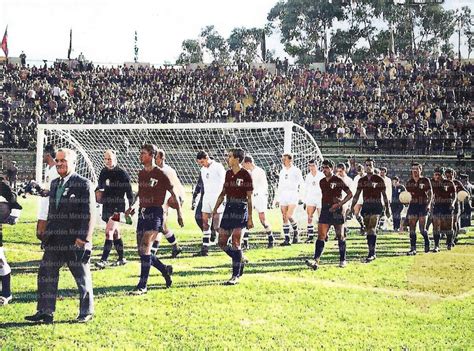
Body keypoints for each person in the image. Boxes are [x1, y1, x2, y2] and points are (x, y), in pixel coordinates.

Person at [25, 148, 95, 323]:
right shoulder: (55, 183)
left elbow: (88, 214)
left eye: (64, 161)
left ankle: (86, 312)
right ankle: (45, 311)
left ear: (73, 163)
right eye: (58, 160)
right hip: (55, 239)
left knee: (81, 276)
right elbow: (52, 211)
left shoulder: (83, 184)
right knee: (46, 273)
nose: (60, 164)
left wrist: (82, 239)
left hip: (74, 240)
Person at [126, 144, 183, 295]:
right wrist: (133, 206)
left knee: (145, 246)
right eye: (140, 153)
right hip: (142, 213)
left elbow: (174, 193)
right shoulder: (141, 174)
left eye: (143, 153)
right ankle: (165, 270)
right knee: (142, 251)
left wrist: (179, 213)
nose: (140, 156)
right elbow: (140, 192)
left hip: (156, 212)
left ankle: (142, 285)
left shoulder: (162, 174)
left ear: (151, 155)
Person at [213, 149, 253, 285]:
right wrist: (215, 209)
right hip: (229, 209)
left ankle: (235, 275)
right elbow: (223, 192)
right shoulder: (228, 173)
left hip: (240, 209)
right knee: (222, 242)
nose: (227, 158)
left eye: (229, 156)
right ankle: (240, 258)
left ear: (237, 159)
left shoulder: (246, 174)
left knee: (236, 243)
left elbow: (249, 198)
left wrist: (250, 218)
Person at [305, 160, 352, 270]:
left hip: (336, 211)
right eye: (323, 167)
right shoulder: (321, 182)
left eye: (326, 167)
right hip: (325, 210)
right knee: (321, 235)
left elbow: (350, 194)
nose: (324, 169)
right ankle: (316, 260)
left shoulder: (338, 180)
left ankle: (342, 260)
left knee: (340, 235)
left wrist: (339, 204)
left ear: (332, 168)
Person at [94, 150, 133, 269]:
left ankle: (103, 260)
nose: (107, 161)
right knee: (115, 233)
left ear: (115, 159)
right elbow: (100, 187)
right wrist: (97, 192)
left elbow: (130, 193)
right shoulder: (103, 172)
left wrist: (131, 207)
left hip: (118, 207)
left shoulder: (122, 174)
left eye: (109, 159)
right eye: (105, 159)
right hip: (106, 206)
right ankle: (122, 258)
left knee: (109, 231)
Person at [351, 158, 391, 263]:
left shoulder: (379, 179)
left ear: (373, 166)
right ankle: (371, 250)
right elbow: (357, 194)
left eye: (370, 165)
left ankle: (372, 253)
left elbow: (384, 195)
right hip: (366, 206)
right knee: (368, 229)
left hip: (377, 206)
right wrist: (352, 206)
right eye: (367, 165)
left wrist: (387, 208)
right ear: (364, 167)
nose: (368, 167)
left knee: (372, 228)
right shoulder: (362, 180)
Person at [150, 149, 184, 258]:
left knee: (159, 225)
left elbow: (176, 188)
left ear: (162, 158)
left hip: (168, 200)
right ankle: (175, 246)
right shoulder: (153, 170)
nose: (154, 160)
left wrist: (179, 209)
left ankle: (152, 252)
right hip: (157, 200)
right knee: (161, 226)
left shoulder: (169, 171)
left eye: (156, 158)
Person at [195, 151, 226, 256]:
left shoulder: (218, 167)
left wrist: (223, 197)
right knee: (205, 223)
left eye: (202, 162)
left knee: (217, 226)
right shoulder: (203, 170)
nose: (202, 164)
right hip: (206, 198)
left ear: (207, 157)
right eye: (200, 163)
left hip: (217, 198)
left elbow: (224, 182)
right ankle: (205, 248)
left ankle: (228, 243)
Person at [242, 155, 273, 249]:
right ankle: (246, 243)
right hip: (250, 197)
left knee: (262, 219)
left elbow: (255, 185)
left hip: (259, 197)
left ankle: (270, 238)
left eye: (244, 164)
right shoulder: (246, 172)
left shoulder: (259, 171)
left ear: (248, 163)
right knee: (246, 218)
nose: (243, 166)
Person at [0, 177, 22, 306]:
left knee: (0, 260)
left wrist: (12, 215)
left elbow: (13, 200)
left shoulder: (1, 184)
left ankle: (6, 293)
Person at [275, 153, 304, 245]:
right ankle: (287, 239)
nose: (283, 161)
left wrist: (301, 196)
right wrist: (277, 198)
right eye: (282, 159)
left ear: (290, 160)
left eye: (285, 159)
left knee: (289, 215)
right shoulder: (282, 171)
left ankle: (296, 232)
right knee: (284, 216)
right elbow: (280, 185)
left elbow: (302, 183)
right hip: (284, 194)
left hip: (293, 194)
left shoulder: (296, 170)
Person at [405, 162, 432, 255]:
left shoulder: (425, 180)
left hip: (423, 206)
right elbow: (407, 196)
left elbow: (430, 194)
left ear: (420, 170)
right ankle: (413, 248)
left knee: (422, 229)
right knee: (411, 228)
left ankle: (427, 242)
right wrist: (405, 201)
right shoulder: (409, 182)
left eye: (417, 169)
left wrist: (428, 205)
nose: (415, 171)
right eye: (413, 169)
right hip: (413, 206)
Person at [37, 144, 59, 246]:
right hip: (45, 202)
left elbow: (60, 188)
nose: (42, 156)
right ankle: (49, 248)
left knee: (43, 232)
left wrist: (49, 192)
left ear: (48, 155)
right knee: (39, 233)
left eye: (44, 154)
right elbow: (48, 186)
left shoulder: (57, 169)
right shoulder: (47, 167)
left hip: (53, 204)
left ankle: (52, 251)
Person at [430, 167, 456, 252]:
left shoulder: (449, 183)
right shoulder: (433, 183)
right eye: (435, 174)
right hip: (437, 205)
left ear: (442, 175)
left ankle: (449, 243)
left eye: (438, 175)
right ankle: (436, 246)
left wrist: (452, 204)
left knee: (449, 226)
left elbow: (454, 195)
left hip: (447, 206)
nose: (436, 176)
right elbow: (430, 194)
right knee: (436, 226)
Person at [303, 160, 324, 243]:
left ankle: (323, 234)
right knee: (309, 217)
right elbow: (305, 188)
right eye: (310, 165)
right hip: (310, 198)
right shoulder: (308, 176)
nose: (311, 167)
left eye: (313, 165)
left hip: (320, 198)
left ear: (317, 166)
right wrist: (305, 199)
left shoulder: (321, 175)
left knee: (321, 217)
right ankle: (310, 236)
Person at [445, 168, 467, 245]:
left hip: (456, 205)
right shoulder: (444, 183)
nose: (449, 178)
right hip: (446, 205)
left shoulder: (457, 182)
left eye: (450, 176)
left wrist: (460, 198)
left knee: (454, 222)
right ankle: (450, 237)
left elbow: (465, 192)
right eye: (447, 176)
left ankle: (452, 239)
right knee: (448, 223)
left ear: (453, 175)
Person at [351, 164, 366, 234]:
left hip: (367, 197)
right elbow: (354, 189)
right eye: (358, 171)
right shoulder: (356, 178)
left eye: (361, 170)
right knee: (356, 214)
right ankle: (362, 225)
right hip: (359, 198)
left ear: (363, 169)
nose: (360, 172)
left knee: (366, 214)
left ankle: (367, 227)